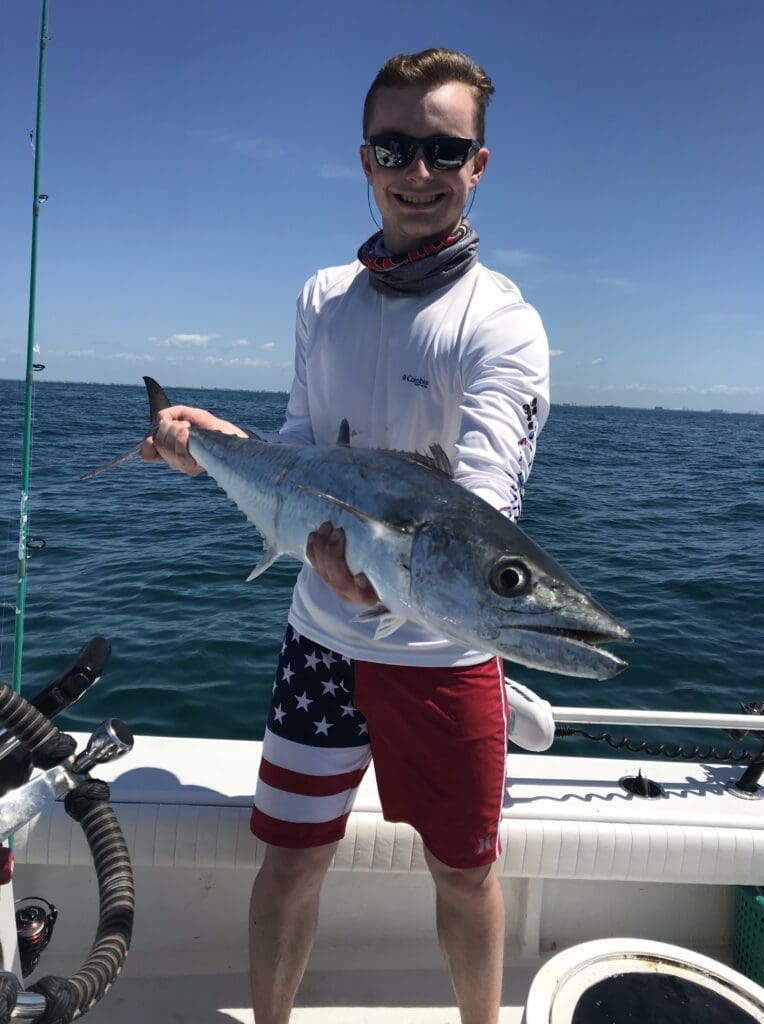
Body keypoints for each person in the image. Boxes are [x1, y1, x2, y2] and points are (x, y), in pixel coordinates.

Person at [142, 48, 550, 1024]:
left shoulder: (503, 326)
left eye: (444, 148)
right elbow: (298, 449)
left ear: (478, 163)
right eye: (395, 146)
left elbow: (484, 505)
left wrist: (391, 568)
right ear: (365, 160)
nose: (419, 170)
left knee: (465, 875)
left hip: (446, 660)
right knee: (290, 862)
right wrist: (206, 447)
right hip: (320, 641)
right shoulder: (323, 297)